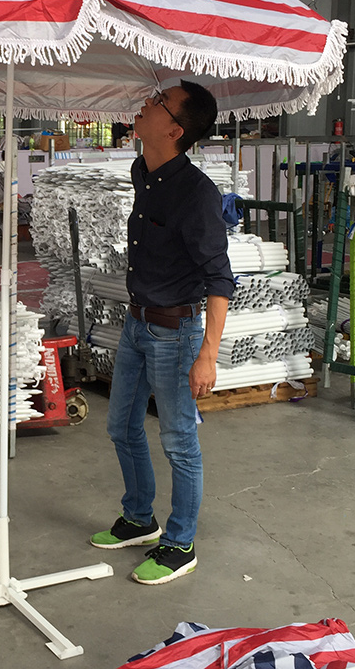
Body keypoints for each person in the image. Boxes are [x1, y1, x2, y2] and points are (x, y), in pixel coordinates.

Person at [91, 80, 234, 585]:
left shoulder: (197, 195)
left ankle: (179, 543)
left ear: (174, 130)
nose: (146, 104)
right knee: (121, 427)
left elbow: (220, 279)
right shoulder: (142, 172)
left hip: (176, 334)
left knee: (178, 442)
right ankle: (138, 518)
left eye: (159, 102)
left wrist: (207, 355)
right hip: (137, 323)